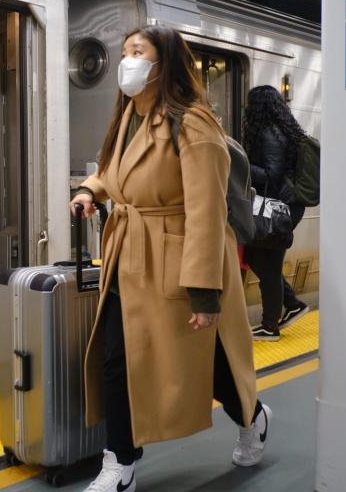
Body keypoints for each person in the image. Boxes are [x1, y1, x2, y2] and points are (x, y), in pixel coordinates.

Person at [70, 26, 270, 492]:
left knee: (211, 364)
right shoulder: (127, 117)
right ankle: (120, 463)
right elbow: (112, 169)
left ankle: (253, 416)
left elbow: (206, 208)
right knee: (117, 358)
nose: (127, 61)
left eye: (138, 52)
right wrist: (88, 190)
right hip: (129, 255)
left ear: (165, 63)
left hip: (177, 261)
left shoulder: (193, 122)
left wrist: (204, 291)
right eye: (125, 53)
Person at [242, 85, 310, 341]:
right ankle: (292, 303)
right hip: (280, 207)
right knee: (257, 257)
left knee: (267, 265)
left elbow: (271, 175)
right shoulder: (279, 132)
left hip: (279, 210)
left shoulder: (271, 134)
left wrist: (239, 161)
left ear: (259, 106)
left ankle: (270, 326)